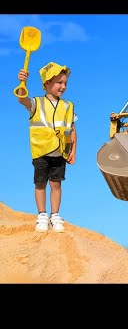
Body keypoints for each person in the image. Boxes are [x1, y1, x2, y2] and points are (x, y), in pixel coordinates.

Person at [16, 62, 77, 233]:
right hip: (41, 151)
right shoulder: (36, 103)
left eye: (65, 83)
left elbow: (72, 128)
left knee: (56, 184)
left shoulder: (68, 106)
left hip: (60, 152)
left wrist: (73, 150)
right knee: (40, 183)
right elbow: (22, 99)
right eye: (59, 82)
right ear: (47, 83)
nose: (63, 86)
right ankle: (42, 215)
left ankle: (55, 215)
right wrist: (23, 83)